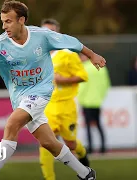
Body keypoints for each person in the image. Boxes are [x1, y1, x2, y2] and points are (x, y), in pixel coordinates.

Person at [0, 1, 106, 180]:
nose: (4, 26)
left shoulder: (41, 36)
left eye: (8, 21)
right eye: (2, 22)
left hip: (41, 91)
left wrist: (92, 55)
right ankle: (86, 173)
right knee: (49, 142)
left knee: (11, 124)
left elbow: (70, 42)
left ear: (21, 20)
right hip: (20, 97)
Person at [39, 18, 90, 180]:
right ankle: (49, 178)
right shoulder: (37, 55)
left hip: (66, 105)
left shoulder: (67, 54)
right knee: (45, 143)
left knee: (71, 144)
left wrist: (63, 80)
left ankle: (82, 154)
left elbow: (83, 76)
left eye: (52, 31)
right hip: (47, 106)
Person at [78, 53, 111, 154]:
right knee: (98, 125)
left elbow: (82, 86)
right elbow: (106, 84)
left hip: (86, 101)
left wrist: (80, 98)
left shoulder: (84, 68)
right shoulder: (101, 68)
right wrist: (100, 97)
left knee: (88, 126)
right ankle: (103, 147)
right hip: (97, 101)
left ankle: (90, 147)